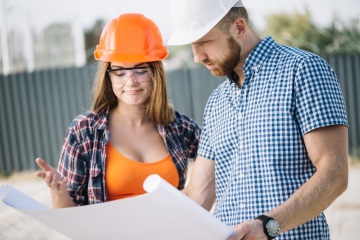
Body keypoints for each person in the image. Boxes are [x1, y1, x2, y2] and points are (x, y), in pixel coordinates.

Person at [167, 0, 349, 239]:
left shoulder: (302, 70)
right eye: (193, 45)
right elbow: (198, 195)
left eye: (203, 42)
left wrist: (268, 226)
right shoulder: (217, 102)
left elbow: (334, 174)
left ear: (239, 28)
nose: (197, 57)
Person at [35, 13, 201, 208]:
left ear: (155, 72)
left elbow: (221, 160)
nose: (131, 81)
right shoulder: (84, 131)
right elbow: (69, 219)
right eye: (120, 72)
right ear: (109, 77)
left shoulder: (179, 127)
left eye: (140, 70)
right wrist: (59, 193)